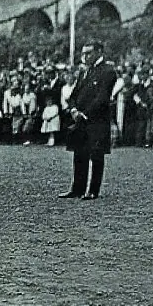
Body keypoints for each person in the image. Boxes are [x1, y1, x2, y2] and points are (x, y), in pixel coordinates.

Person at [59, 41, 117, 201]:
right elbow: (74, 95)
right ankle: (77, 188)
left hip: (96, 120)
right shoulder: (85, 72)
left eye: (88, 53)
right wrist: (73, 110)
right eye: (83, 53)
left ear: (99, 52)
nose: (85, 57)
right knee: (79, 154)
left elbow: (102, 97)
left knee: (96, 154)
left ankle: (93, 190)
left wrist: (85, 113)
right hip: (80, 119)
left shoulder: (108, 71)